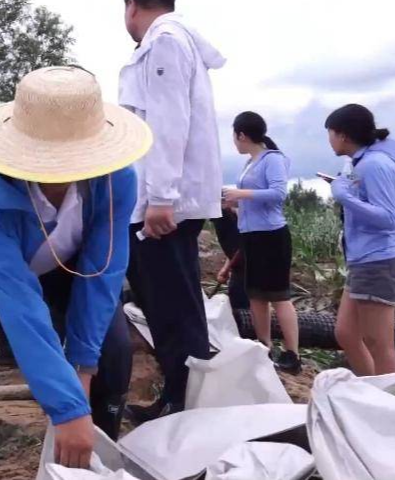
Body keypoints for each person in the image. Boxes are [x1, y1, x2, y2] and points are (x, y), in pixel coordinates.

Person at [0, 66, 152, 479]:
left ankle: (92, 463)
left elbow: (103, 270)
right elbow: (18, 301)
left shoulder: (115, 180)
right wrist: (67, 405)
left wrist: (82, 376)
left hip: (73, 270)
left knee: (113, 354)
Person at [119, 0, 226, 423]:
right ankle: (182, 397)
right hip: (166, 200)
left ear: (131, 6)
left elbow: (166, 122)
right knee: (169, 303)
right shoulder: (171, 42)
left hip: (166, 204)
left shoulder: (164, 43)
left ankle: (186, 406)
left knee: (172, 308)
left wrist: (161, 198)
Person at [326, 104, 395, 376]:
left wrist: (345, 197)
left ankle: (391, 406)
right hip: (363, 261)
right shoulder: (360, 163)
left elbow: (389, 219)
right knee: (346, 333)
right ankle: (371, 393)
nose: (329, 140)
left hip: (379, 261)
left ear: (343, 135)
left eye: (331, 133)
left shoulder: (375, 164)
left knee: (379, 344)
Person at [223, 112, 301, 374]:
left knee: (278, 296)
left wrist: (241, 194)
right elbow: (255, 201)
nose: (234, 142)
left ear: (242, 135)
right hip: (251, 235)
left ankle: (293, 354)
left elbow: (278, 194)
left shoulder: (273, 160)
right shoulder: (250, 162)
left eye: (235, 136)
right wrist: (235, 205)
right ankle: (264, 347)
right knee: (256, 295)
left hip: (271, 236)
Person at [214, 209, 250, 310]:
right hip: (238, 269)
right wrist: (226, 269)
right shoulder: (219, 216)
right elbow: (235, 247)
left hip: (251, 270)